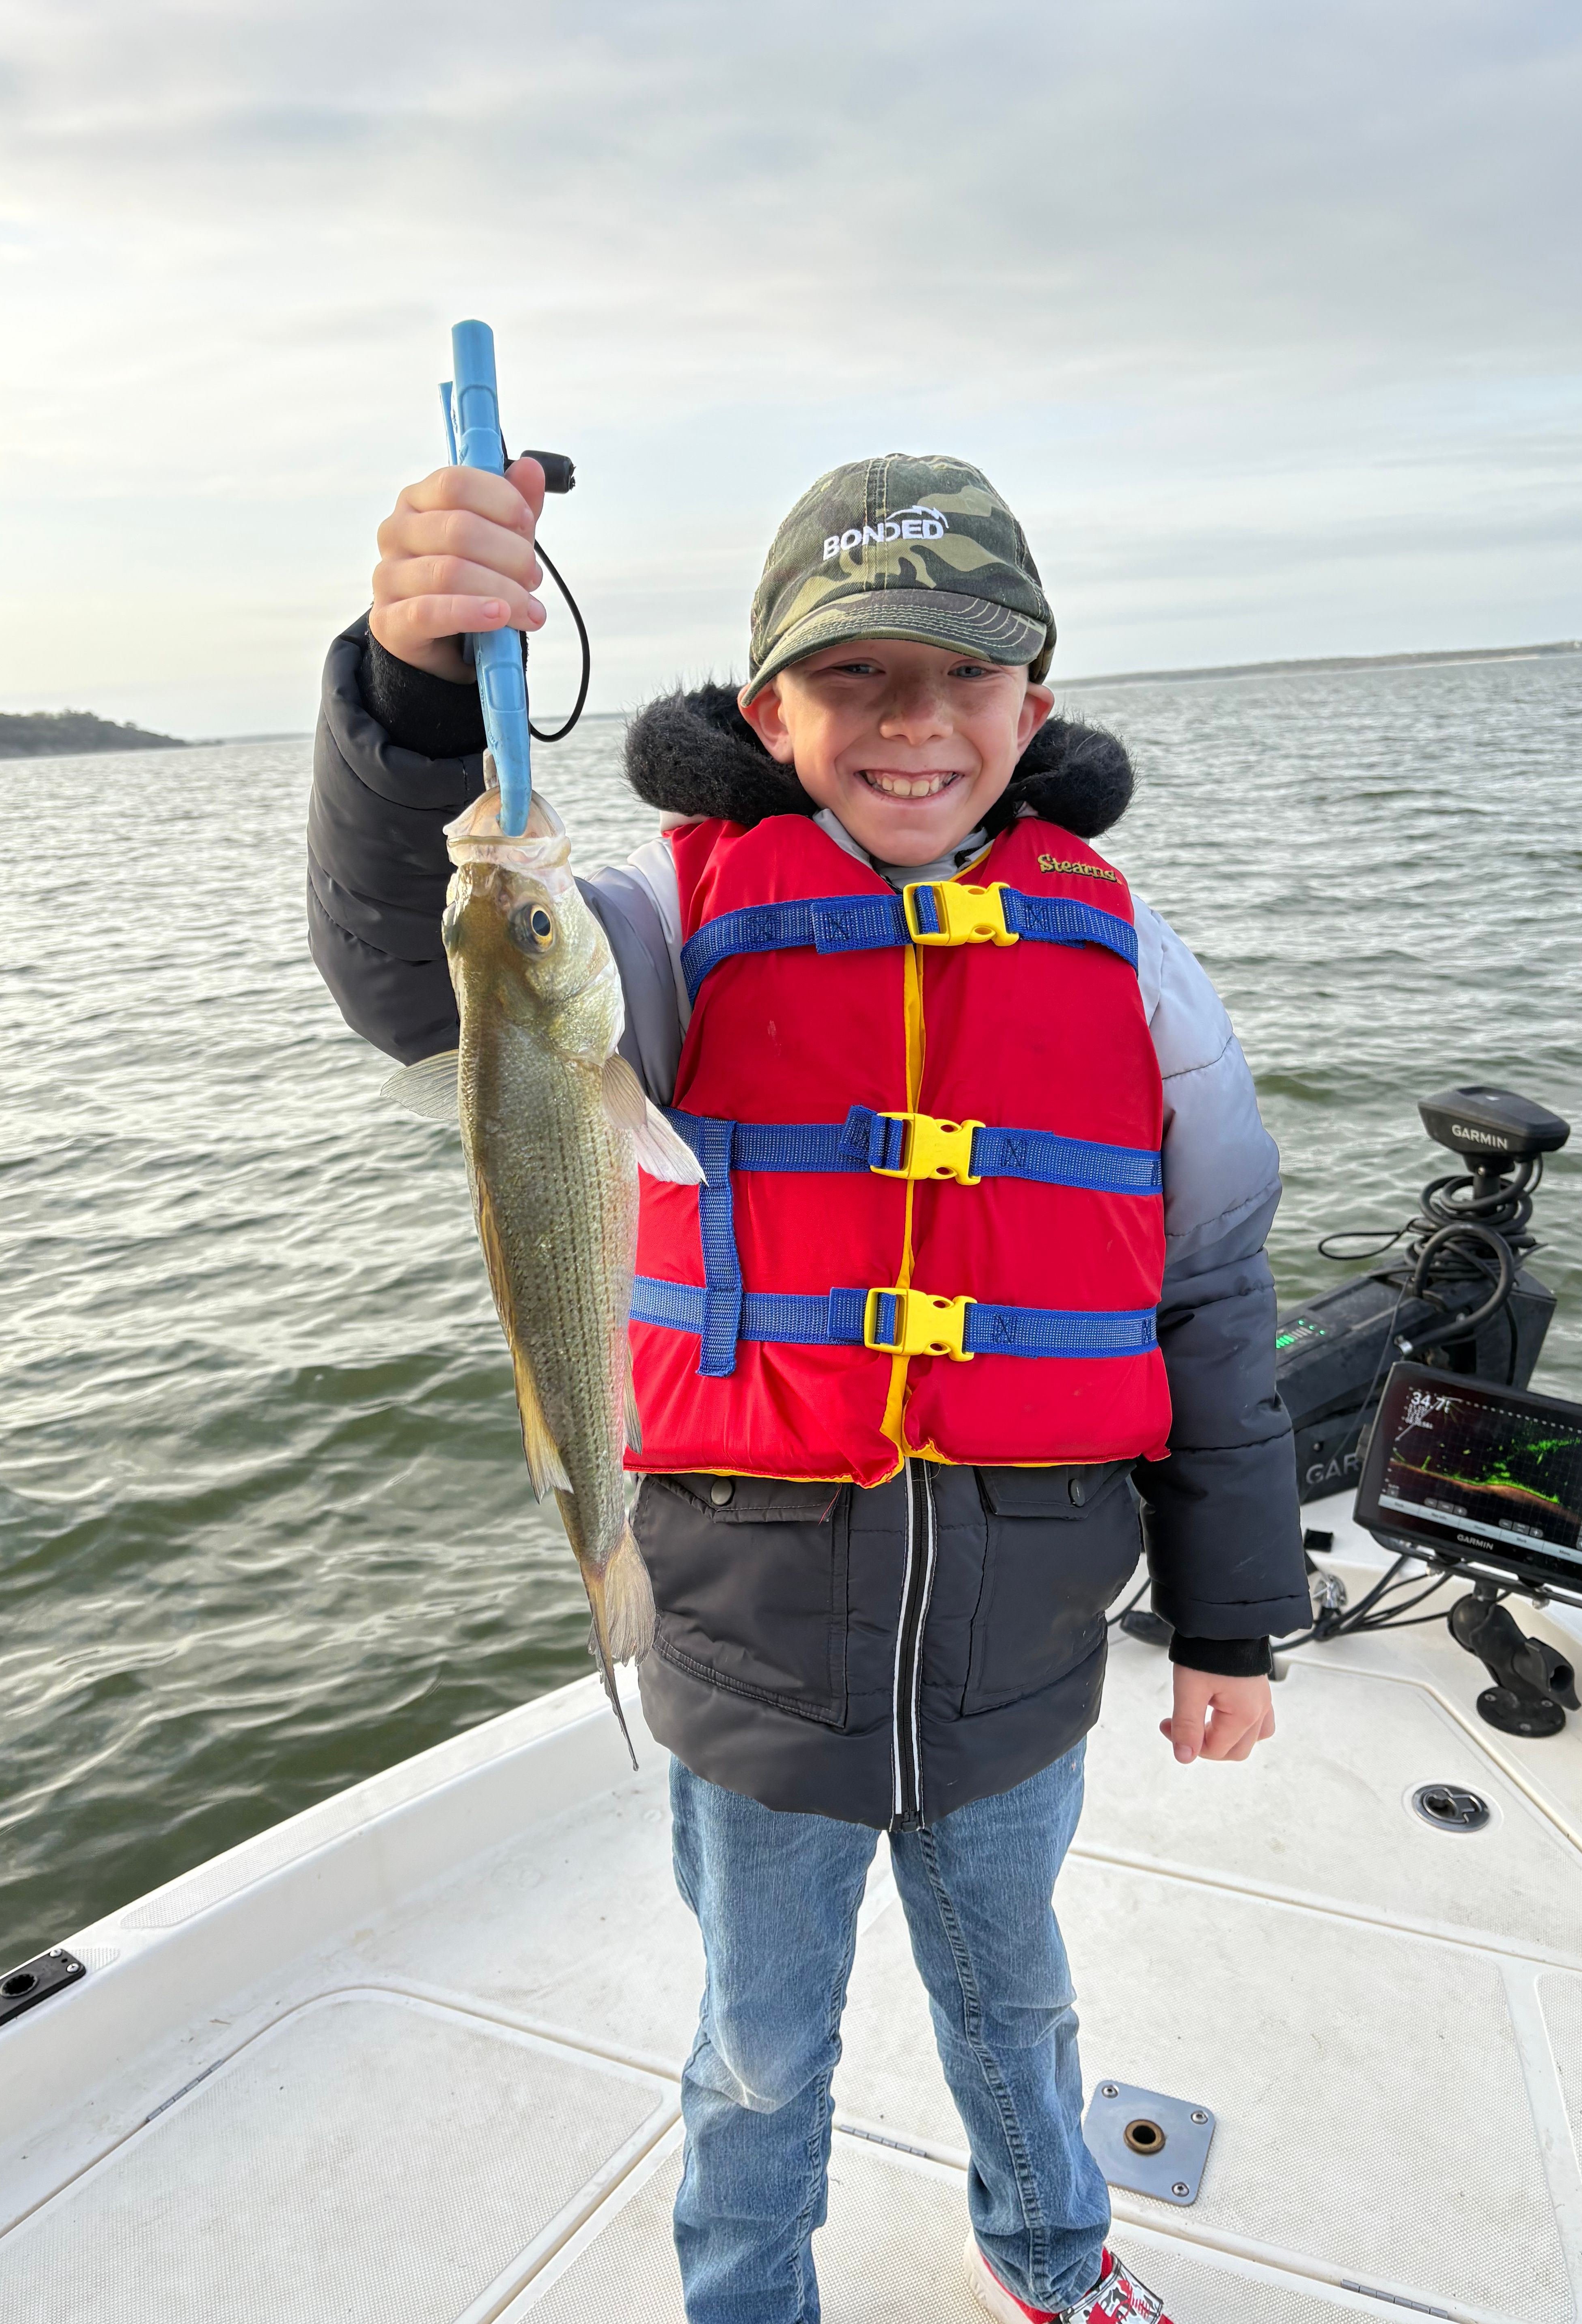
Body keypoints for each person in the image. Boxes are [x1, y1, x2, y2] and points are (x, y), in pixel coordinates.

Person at [308, 449, 1309, 2324]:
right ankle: (745, 2300)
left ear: (1039, 700)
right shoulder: (658, 927)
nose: (915, 724)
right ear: (767, 711)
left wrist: (1236, 1627)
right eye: (855, 676)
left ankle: (1052, 2256)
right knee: (760, 2044)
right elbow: (413, 982)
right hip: (753, 1648)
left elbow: (1213, 1300)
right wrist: (418, 692)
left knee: (1017, 1997)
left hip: (1021, 1660)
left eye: (967, 674)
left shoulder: (1138, 964)